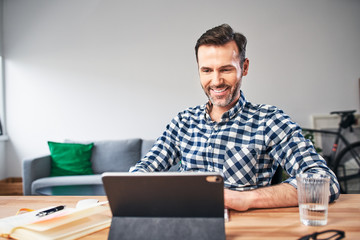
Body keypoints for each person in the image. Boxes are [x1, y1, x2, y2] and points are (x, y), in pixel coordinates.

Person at [130, 24, 340, 211]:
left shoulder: (269, 120)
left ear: (244, 67)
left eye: (226, 69)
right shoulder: (183, 122)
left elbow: (324, 182)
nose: (216, 80)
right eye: (206, 70)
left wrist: (245, 199)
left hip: (247, 229)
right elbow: (140, 174)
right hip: (188, 223)